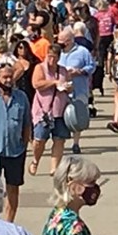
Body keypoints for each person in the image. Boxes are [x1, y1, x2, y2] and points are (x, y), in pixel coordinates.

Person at [0, 62, 32, 223]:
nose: (8, 80)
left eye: (10, 77)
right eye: (5, 77)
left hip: (16, 150)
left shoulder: (21, 97)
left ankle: (9, 223)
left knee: (13, 189)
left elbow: (27, 124)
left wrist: (25, 145)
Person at [30, 42, 72, 177]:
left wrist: (67, 87)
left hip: (60, 111)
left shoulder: (63, 70)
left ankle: (54, 168)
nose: (51, 59)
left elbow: (70, 87)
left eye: (54, 57)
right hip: (43, 112)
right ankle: (35, 161)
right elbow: (36, 84)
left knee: (59, 139)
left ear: (59, 57)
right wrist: (53, 83)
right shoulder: (40, 68)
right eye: (49, 56)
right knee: (39, 140)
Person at [57, 28, 96, 156]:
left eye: (62, 41)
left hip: (79, 88)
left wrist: (79, 71)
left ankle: (76, 143)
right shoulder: (59, 53)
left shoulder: (82, 52)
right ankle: (60, 141)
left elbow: (92, 66)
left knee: (77, 116)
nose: (59, 43)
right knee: (61, 115)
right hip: (62, 90)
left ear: (69, 41)